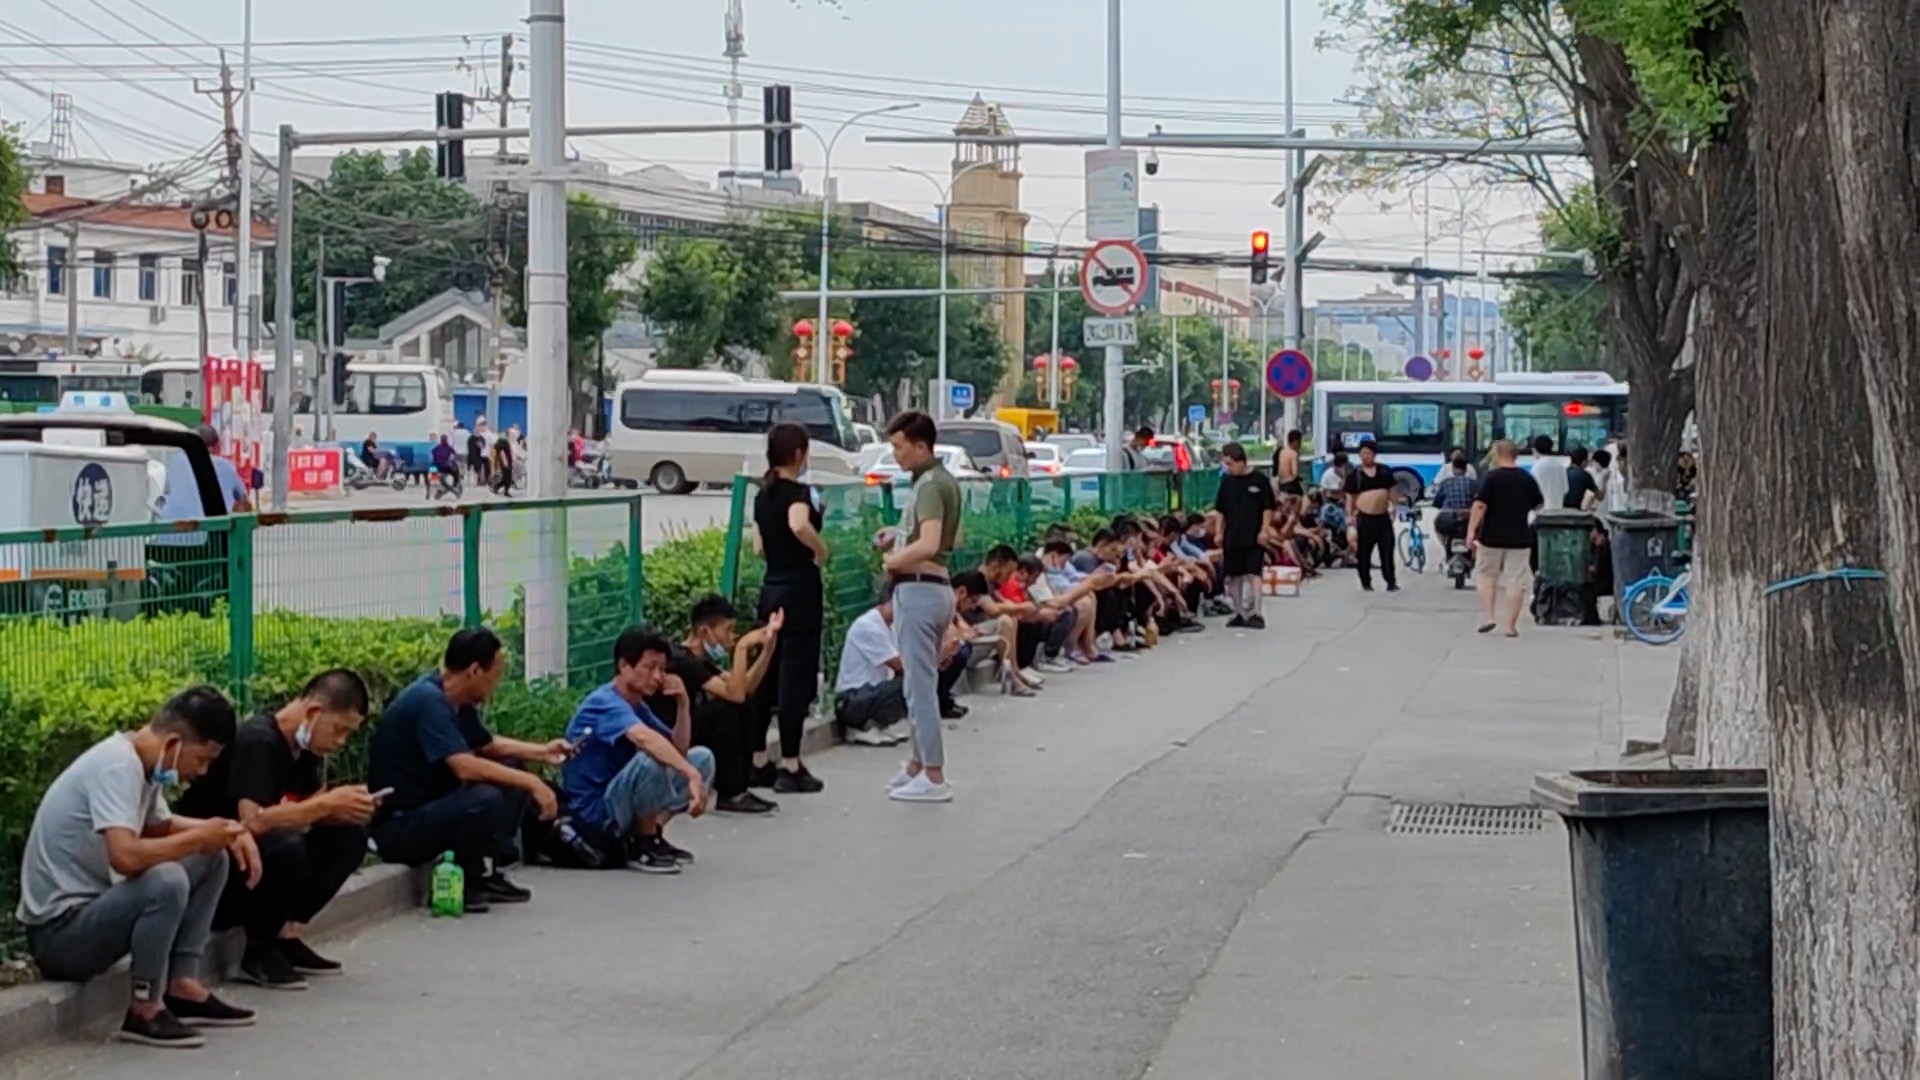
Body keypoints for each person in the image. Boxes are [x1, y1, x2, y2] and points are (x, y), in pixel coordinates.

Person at [20, 687, 258, 1047]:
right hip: (61, 934)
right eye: (202, 759)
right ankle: (144, 1008)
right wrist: (199, 837)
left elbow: (159, 825)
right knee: (167, 880)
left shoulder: (143, 764)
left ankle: (181, 984)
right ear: (174, 743)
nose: (202, 772)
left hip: (96, 911)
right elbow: (126, 857)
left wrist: (225, 831)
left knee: (213, 857)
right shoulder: (117, 766)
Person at [174, 670, 374, 990]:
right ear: (313, 713)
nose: (340, 742)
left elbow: (304, 806)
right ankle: (258, 948)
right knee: (283, 844)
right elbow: (253, 822)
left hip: (253, 866)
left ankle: (284, 931)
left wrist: (344, 807)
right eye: (339, 730)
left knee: (349, 835)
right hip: (218, 871)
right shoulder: (258, 740)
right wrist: (323, 806)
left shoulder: (306, 751)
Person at [368, 628, 569, 913]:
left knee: (509, 770)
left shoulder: (454, 699)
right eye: (495, 675)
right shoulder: (429, 701)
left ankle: (486, 872)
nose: (496, 685)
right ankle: (467, 880)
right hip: (400, 826)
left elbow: (485, 744)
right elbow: (464, 767)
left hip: (434, 808)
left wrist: (542, 752)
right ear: (475, 671)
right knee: (485, 796)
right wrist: (534, 783)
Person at [561, 629, 715, 874]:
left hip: (619, 797)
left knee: (702, 758)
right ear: (624, 665)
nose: (657, 677)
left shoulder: (637, 705)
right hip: (596, 811)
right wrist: (690, 776)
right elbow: (645, 739)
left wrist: (683, 703)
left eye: (662, 670)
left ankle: (653, 834)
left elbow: (678, 750)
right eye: (649, 667)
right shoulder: (604, 702)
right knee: (651, 758)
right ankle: (642, 844)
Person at [879, 409, 962, 803]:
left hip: (918, 588)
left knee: (919, 688)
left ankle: (933, 773)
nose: (895, 454)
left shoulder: (928, 485)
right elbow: (950, 539)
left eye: (899, 447)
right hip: (936, 588)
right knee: (921, 684)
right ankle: (917, 764)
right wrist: (898, 536)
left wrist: (894, 560)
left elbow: (929, 544)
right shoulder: (943, 481)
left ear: (920, 445)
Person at [749, 423, 830, 794]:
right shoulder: (798, 493)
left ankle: (758, 758)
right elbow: (798, 524)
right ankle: (792, 764)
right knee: (794, 676)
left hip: (771, 588)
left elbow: (758, 547)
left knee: (766, 671)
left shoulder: (762, 495)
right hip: (799, 589)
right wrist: (819, 549)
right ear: (799, 453)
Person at [667, 596, 782, 815]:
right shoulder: (682, 661)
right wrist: (741, 649)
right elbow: (735, 694)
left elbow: (746, 688)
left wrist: (767, 650)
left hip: (691, 730)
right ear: (704, 632)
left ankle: (741, 784)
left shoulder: (703, 662)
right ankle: (731, 792)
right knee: (725, 709)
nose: (732, 636)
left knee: (744, 703)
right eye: (728, 630)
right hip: (674, 735)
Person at [1468, 439, 1545, 637]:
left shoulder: (1491, 478)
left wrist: (1471, 532)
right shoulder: (1527, 479)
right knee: (1515, 580)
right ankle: (1510, 625)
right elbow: (1538, 506)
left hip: (1491, 536)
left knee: (1486, 575)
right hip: (1519, 537)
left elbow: (1480, 506)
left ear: (1496, 453)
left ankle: (1490, 617)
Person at [834, 580, 912, 746]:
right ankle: (858, 728)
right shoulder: (869, 626)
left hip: (869, 692)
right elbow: (899, 664)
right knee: (911, 680)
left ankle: (879, 724)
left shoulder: (892, 626)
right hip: (852, 698)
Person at [1209, 442, 1276, 628]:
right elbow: (1220, 510)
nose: (1228, 468)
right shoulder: (1227, 482)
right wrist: (1218, 531)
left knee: (1254, 573)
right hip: (1232, 535)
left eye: (1230, 464)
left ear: (1241, 462)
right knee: (1234, 574)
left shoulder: (1259, 480)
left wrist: (1265, 529)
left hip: (1254, 534)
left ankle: (1256, 612)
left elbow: (1268, 507)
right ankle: (1239, 611)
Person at [1343, 440, 1400, 592]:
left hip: (1382, 517)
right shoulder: (1355, 475)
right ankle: (1366, 581)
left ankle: (1390, 581)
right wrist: (1349, 516)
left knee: (1387, 550)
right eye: (1362, 454)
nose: (1365, 457)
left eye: (1368, 454)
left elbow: (1392, 490)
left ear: (1374, 454)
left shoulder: (1384, 471)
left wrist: (1393, 506)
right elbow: (1350, 497)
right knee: (1364, 552)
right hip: (1364, 518)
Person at [1432, 452, 1479, 548]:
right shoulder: (1474, 484)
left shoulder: (1445, 483)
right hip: (1468, 520)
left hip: (1448, 520)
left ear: (1452, 469)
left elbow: (1437, 502)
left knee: (1437, 526)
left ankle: (1445, 546)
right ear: (1466, 469)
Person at [1528, 434, 1570, 512]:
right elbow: (1565, 490)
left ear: (1535, 449)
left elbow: (1531, 492)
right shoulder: (1560, 466)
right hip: (1558, 511)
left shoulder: (1537, 467)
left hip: (1541, 513)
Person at [1273, 429, 1305, 496]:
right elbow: (1295, 473)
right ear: (1296, 442)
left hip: (1281, 484)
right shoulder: (1293, 454)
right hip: (1291, 486)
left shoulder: (1281, 451)